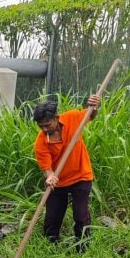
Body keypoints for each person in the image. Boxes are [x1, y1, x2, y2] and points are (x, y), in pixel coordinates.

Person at [32, 94, 102, 245]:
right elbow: (47, 169)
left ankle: (83, 246)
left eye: (47, 124)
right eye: (41, 126)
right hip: (58, 181)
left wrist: (94, 106)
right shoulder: (41, 141)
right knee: (52, 217)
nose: (44, 129)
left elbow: (90, 115)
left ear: (57, 118)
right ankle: (51, 246)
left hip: (81, 175)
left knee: (80, 214)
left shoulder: (72, 117)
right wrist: (49, 176)